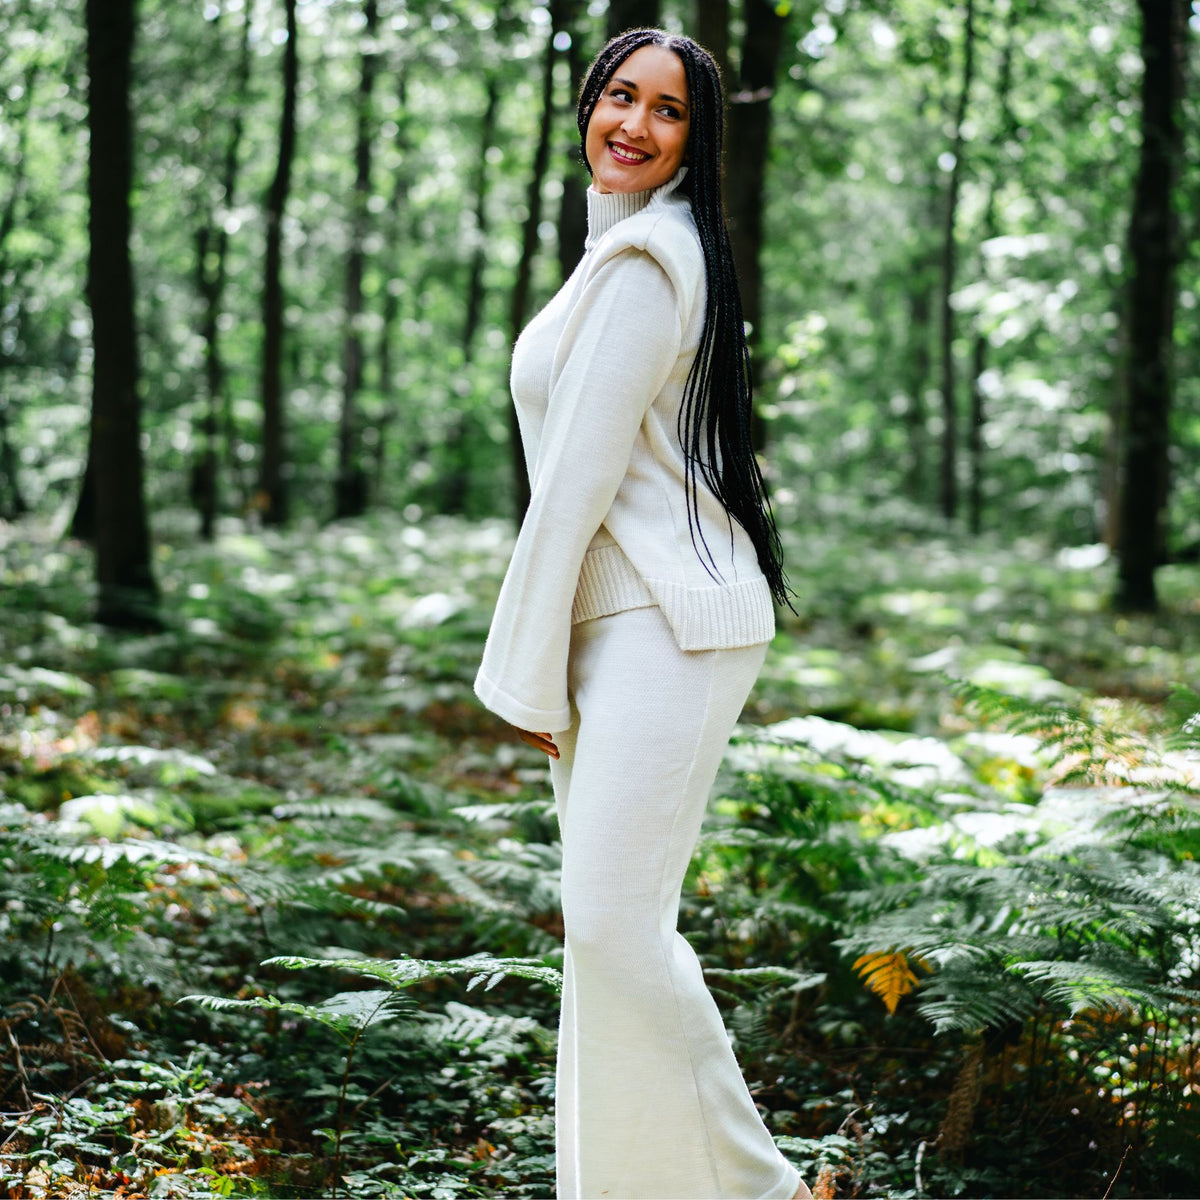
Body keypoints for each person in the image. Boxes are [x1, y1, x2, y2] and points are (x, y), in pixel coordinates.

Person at [474, 26, 812, 1200]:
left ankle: (757, 1187)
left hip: (669, 628)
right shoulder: (623, 254)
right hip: (632, 626)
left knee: (616, 930)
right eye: (621, 95)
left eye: (669, 111)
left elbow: (574, 483)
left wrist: (524, 670)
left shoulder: (645, 263)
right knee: (606, 937)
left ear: (695, 141)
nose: (635, 123)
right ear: (588, 103)